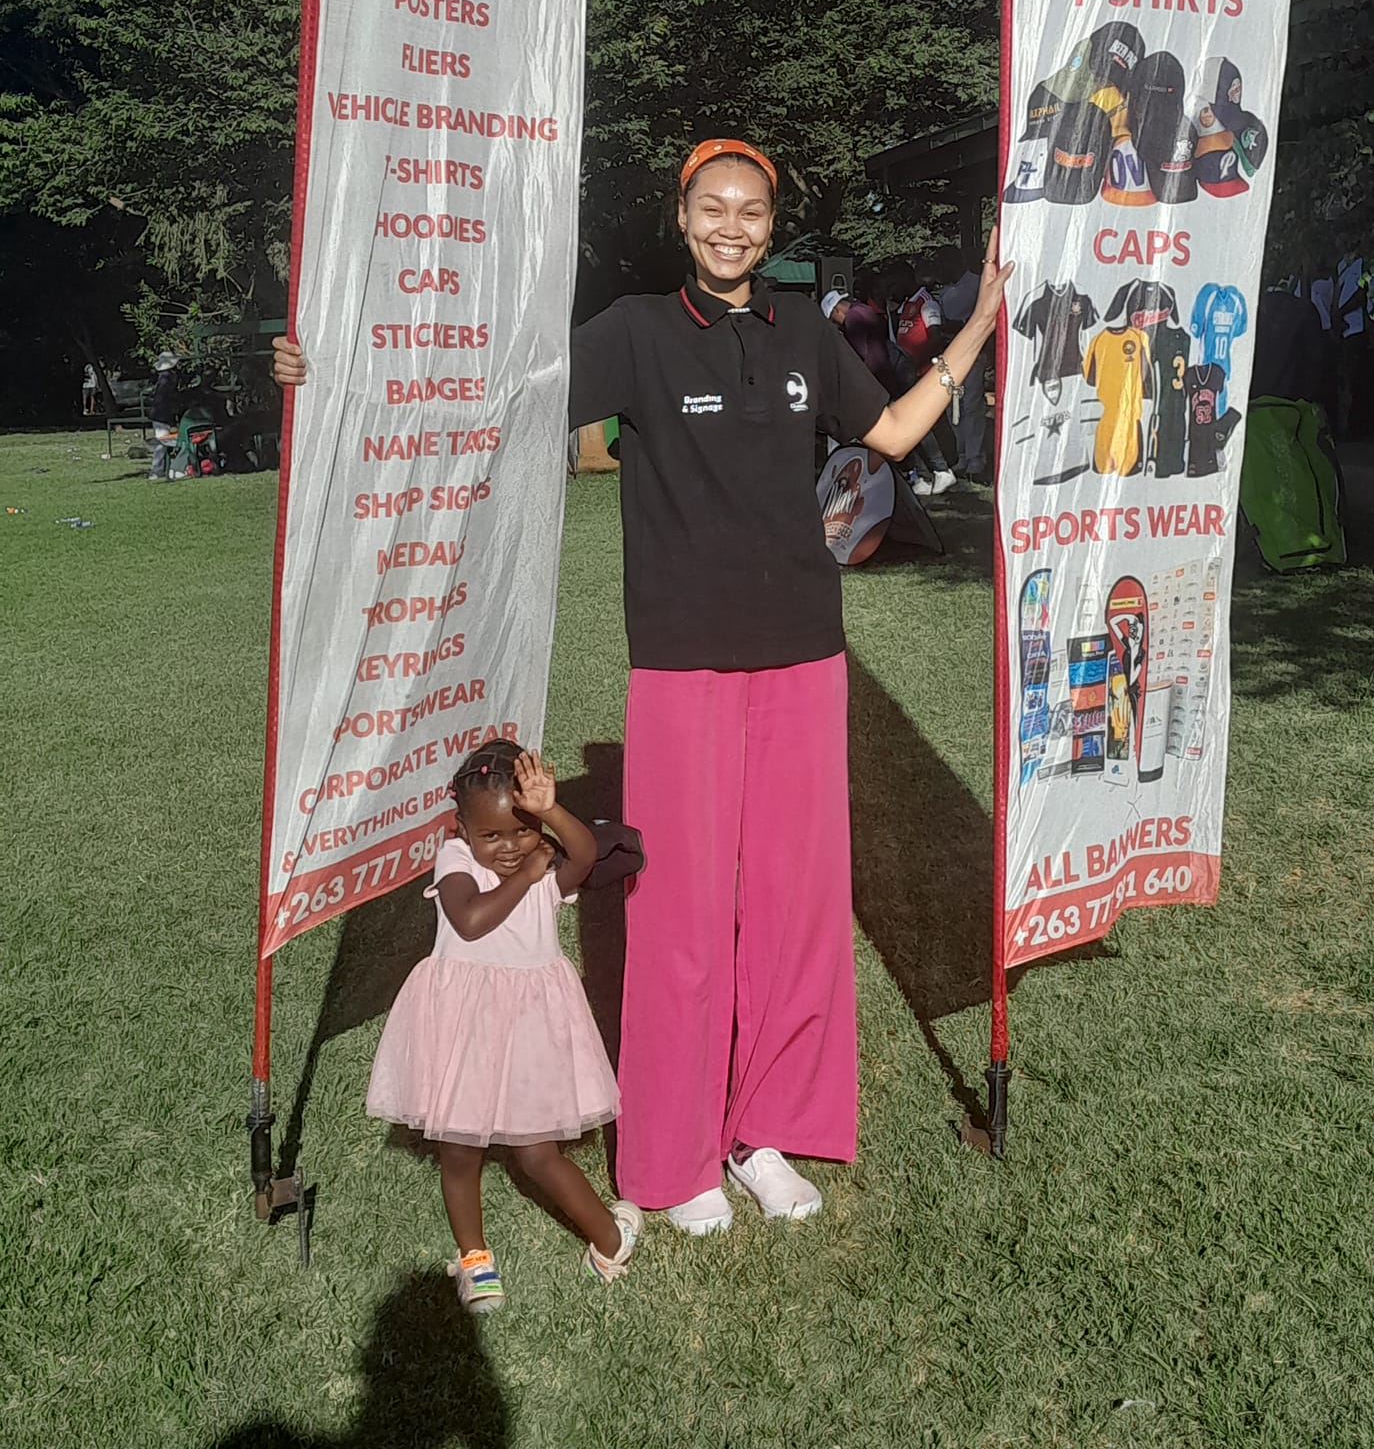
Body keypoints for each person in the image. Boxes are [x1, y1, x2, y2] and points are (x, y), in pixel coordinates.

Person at [274, 137, 1009, 1234]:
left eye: (750, 209)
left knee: (796, 905)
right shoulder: (636, 330)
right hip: (682, 663)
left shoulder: (804, 331)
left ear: (772, 225)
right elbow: (499, 394)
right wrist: (334, 367)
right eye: (713, 206)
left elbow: (895, 430)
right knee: (680, 914)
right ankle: (675, 1155)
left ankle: (764, 1132)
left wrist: (983, 316)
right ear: (683, 216)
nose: (731, 225)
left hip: (804, 656)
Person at [365, 741, 637, 1305]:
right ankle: (476, 1262)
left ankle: (610, 1240)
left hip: (530, 1029)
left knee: (538, 1153)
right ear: (462, 830)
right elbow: (468, 921)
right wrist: (531, 871)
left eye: (522, 831)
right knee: (459, 1151)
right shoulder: (458, 862)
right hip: (463, 1027)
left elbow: (585, 854)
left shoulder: (550, 866)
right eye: (491, 835)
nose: (509, 847)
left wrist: (551, 812)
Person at [883, 258, 958, 497]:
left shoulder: (926, 303)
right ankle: (925, 474)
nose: (892, 290)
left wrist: (915, 362)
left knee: (928, 424)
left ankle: (944, 469)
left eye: (895, 283)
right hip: (907, 375)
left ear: (906, 279)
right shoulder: (905, 306)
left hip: (924, 374)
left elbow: (935, 337)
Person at [933, 246, 990, 482]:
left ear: (955, 263)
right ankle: (962, 456)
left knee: (972, 405)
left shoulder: (976, 284)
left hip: (973, 352)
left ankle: (976, 459)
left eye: (943, 264)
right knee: (953, 405)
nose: (940, 270)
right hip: (950, 354)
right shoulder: (944, 290)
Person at [148, 351, 181, 480]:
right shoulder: (167, 379)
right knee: (161, 442)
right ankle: (156, 470)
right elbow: (166, 399)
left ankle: (160, 468)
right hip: (162, 415)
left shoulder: (164, 377)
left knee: (162, 442)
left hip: (160, 414)